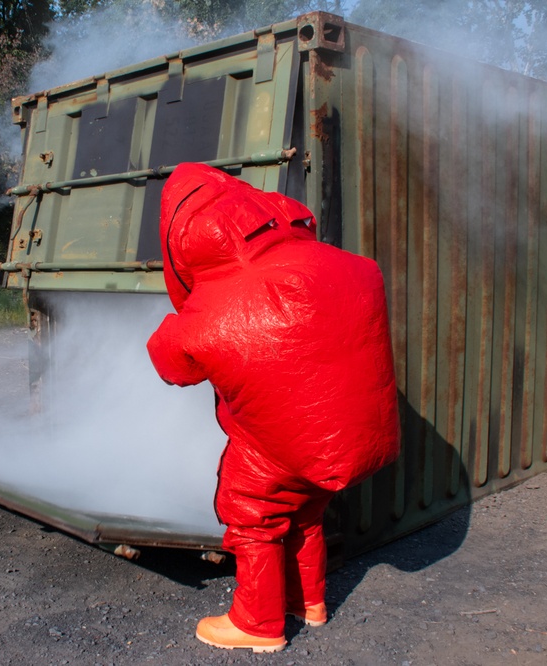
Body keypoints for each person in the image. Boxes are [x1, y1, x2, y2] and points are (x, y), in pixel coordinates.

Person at [146, 163, 401, 652]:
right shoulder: (353, 266)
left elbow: (173, 367)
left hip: (274, 446)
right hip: (347, 437)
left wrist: (180, 322)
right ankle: (308, 602)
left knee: (252, 513)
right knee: (304, 512)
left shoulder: (214, 302)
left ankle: (257, 624)